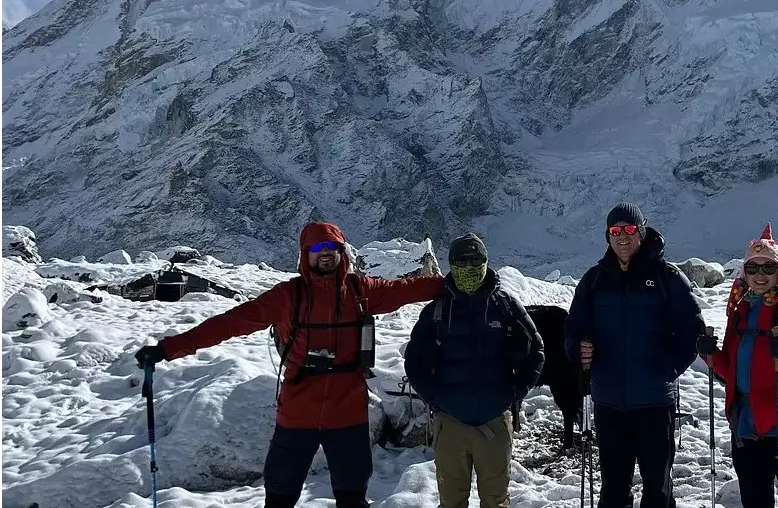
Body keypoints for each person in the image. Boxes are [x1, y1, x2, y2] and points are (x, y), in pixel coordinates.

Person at [133, 222, 443, 508]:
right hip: (298, 414)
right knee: (280, 495)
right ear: (305, 254)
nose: (325, 253)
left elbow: (409, 289)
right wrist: (166, 349)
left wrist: (456, 283)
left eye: (332, 247)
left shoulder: (361, 292)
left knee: (352, 497)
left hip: (348, 413)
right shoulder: (287, 297)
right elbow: (228, 324)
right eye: (317, 248)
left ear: (342, 252)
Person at [564, 203, 704, 508]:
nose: (623, 236)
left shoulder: (667, 277)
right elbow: (574, 328)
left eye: (629, 229)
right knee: (613, 491)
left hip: (655, 403)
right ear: (608, 236)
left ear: (641, 232)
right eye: (615, 231)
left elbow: (692, 329)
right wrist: (578, 349)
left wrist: (666, 370)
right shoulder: (594, 280)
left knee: (658, 490)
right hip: (609, 403)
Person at [404, 233, 545, 508]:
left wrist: (513, 394)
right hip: (450, 423)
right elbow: (414, 360)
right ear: (452, 264)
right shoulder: (437, 310)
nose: (469, 267)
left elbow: (535, 351)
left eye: (476, 260)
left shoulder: (505, 306)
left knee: (495, 501)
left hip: (494, 421)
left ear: (486, 262)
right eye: (462, 261)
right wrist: (434, 398)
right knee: (451, 501)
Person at [697, 223, 778, 508]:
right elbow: (733, 371)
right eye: (753, 268)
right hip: (746, 424)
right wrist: (710, 354)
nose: (760, 275)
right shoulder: (740, 313)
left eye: (768, 267)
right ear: (744, 273)